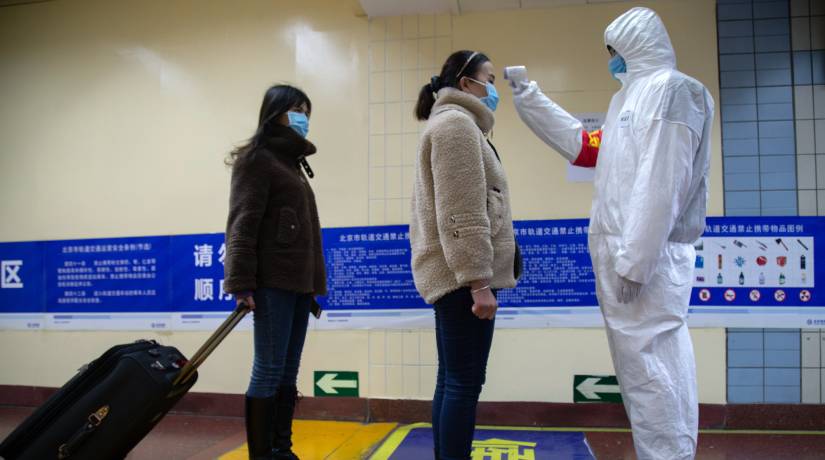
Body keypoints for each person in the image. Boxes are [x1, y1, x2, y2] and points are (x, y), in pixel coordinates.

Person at [505, 7, 714, 460]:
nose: (610, 60)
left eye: (612, 51)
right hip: (625, 256)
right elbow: (583, 148)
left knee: (655, 372)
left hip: (647, 262)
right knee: (641, 373)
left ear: (633, 44)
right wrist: (529, 97)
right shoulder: (628, 101)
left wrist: (636, 260)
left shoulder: (675, 91)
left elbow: (663, 184)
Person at [411, 50, 517, 460]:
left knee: (452, 379)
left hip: (455, 275)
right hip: (462, 278)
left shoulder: (459, 125)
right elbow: (462, 210)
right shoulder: (456, 125)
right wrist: (479, 281)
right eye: (489, 78)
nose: (494, 88)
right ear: (466, 82)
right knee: (463, 382)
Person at [223, 84, 326, 460]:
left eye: (307, 111)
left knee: (287, 372)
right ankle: (262, 454)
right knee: (268, 369)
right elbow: (242, 224)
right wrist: (240, 282)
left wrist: (313, 285)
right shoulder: (257, 160)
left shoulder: (292, 163)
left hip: (298, 286)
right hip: (271, 284)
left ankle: (282, 449)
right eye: (297, 109)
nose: (304, 117)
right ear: (275, 113)